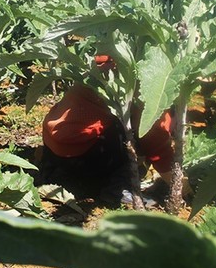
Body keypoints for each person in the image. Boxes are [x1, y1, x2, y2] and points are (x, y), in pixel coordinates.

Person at [39, 81, 176, 206]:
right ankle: (119, 188)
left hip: (55, 144)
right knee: (134, 128)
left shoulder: (104, 60)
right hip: (85, 151)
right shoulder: (152, 86)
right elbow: (155, 141)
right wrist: (178, 184)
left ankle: (55, 173)